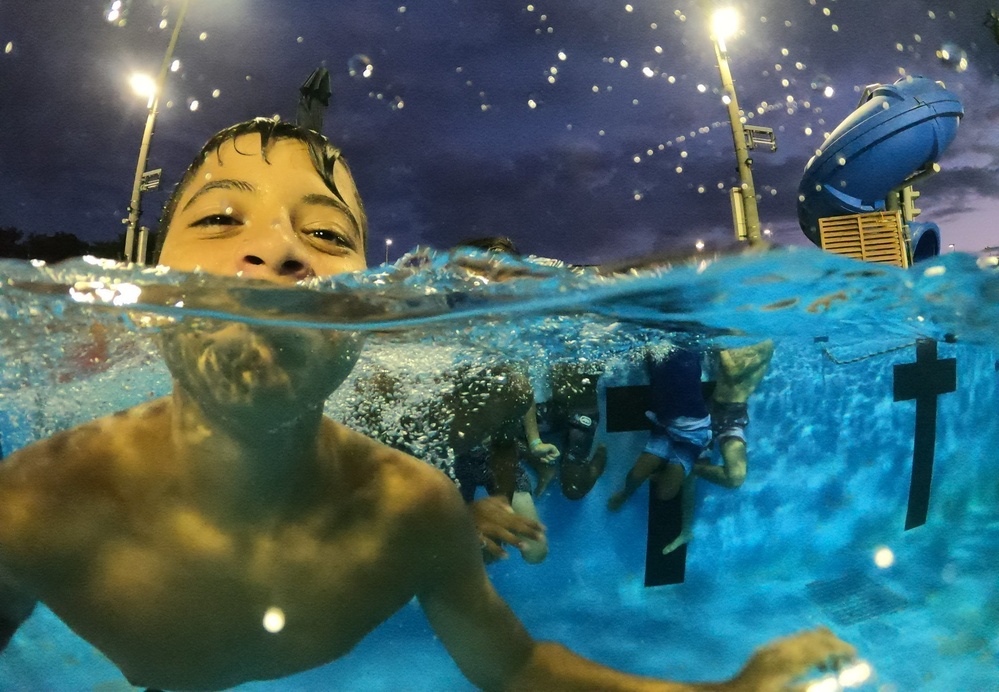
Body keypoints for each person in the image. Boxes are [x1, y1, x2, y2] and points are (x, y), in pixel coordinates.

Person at [0, 118, 854, 690]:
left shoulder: (411, 511)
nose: (276, 250)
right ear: (145, 275)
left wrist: (730, 690)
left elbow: (515, 670)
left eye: (328, 235)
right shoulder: (37, 503)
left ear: (369, 307)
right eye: (221, 218)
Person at [607, 346, 712, 556]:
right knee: (635, 475)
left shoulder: (689, 350)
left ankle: (672, 468)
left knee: (666, 493)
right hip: (663, 425)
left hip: (693, 433)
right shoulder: (654, 349)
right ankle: (628, 491)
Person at [693, 340, 775, 490]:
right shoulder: (735, 333)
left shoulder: (764, 343)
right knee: (687, 474)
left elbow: (733, 372)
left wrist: (721, 346)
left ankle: (687, 468)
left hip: (732, 416)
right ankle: (684, 469)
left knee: (735, 477)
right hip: (706, 408)